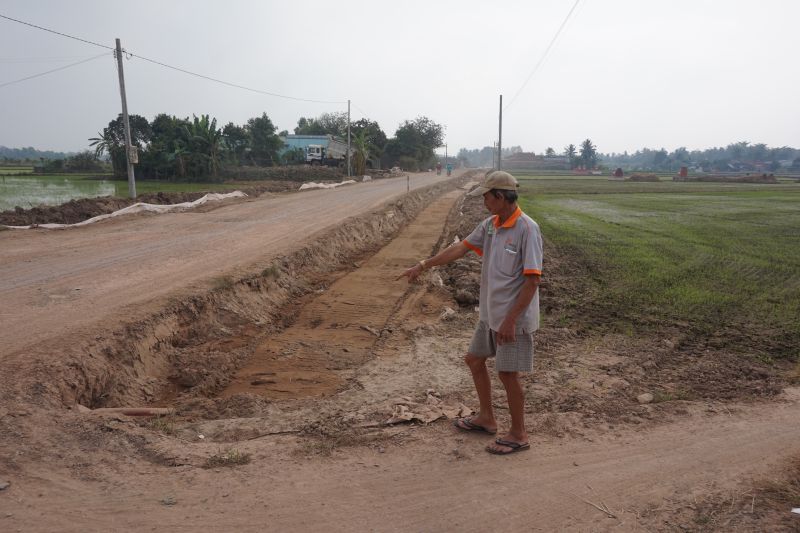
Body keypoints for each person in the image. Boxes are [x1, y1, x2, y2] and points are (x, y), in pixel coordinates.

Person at [397, 171, 543, 455]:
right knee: (474, 360)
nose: (483, 202)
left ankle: (519, 433)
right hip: (490, 314)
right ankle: (487, 418)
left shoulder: (527, 229)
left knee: (508, 374)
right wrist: (423, 265)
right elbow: (460, 249)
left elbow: (533, 280)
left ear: (500, 197)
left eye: (486, 197)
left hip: (513, 318)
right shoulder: (490, 225)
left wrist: (511, 320)